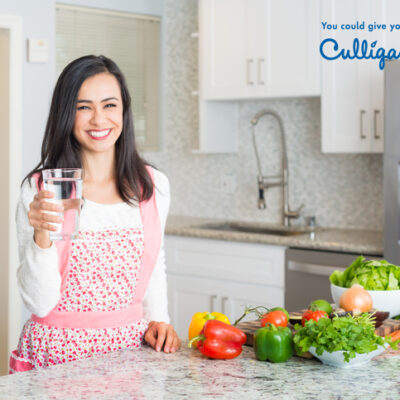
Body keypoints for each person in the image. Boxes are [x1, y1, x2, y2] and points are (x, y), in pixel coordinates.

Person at [9, 55, 181, 373]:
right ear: (66, 114)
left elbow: (154, 263)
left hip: (129, 356)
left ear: (125, 111)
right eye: (83, 107)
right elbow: (40, 302)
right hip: (57, 359)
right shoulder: (52, 188)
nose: (99, 120)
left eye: (109, 105)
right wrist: (41, 236)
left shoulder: (150, 185)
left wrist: (160, 318)